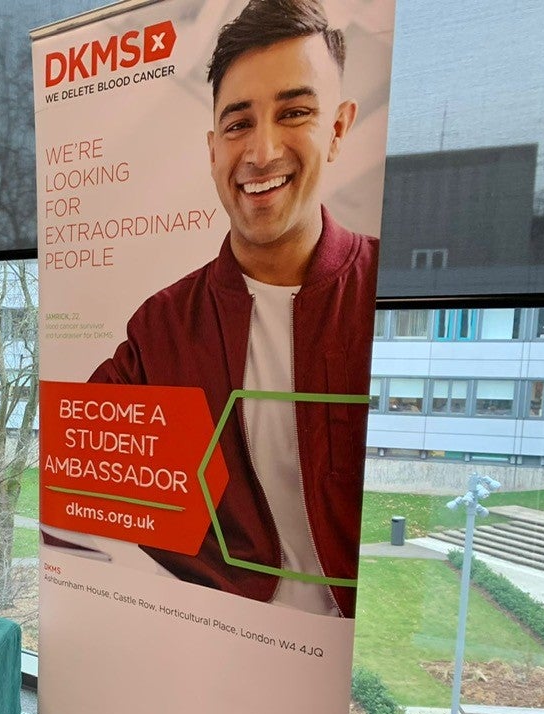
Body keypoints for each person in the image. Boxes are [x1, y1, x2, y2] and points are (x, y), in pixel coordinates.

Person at [89, 0, 377, 617]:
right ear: (213, 147)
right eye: (239, 123)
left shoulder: (384, 294)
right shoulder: (162, 324)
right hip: (217, 645)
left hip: (351, 680)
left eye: (295, 112)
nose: (262, 150)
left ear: (339, 127)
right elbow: (87, 469)